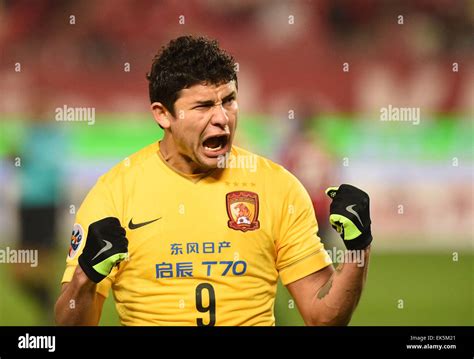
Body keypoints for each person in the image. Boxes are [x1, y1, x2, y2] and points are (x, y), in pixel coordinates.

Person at [54, 35, 372, 326]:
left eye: (229, 100)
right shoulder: (114, 194)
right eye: (203, 106)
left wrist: (358, 248)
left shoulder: (279, 188)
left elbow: (324, 317)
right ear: (163, 114)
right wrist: (86, 276)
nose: (222, 118)